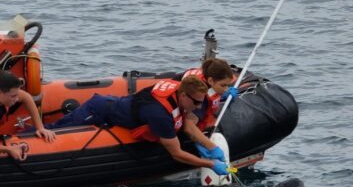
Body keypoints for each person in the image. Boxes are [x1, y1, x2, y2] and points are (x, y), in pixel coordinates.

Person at [47, 75, 229, 175]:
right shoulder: (160, 114)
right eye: (197, 103)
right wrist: (210, 164)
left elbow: (187, 124)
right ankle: (23, 134)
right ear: (183, 96)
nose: (198, 107)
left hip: (119, 104)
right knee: (55, 131)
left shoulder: (178, 90)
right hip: (98, 110)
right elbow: (177, 154)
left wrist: (207, 145)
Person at [176, 58, 238, 162]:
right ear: (210, 81)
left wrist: (223, 94)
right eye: (223, 85)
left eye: (228, 85)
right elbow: (189, 126)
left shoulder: (202, 78)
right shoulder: (199, 96)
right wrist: (209, 146)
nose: (226, 89)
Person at [0, 70, 56, 145]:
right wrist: (8, 149)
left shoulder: (9, 94)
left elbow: (26, 97)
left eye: (16, 95)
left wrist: (40, 128)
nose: (17, 99)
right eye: (13, 96)